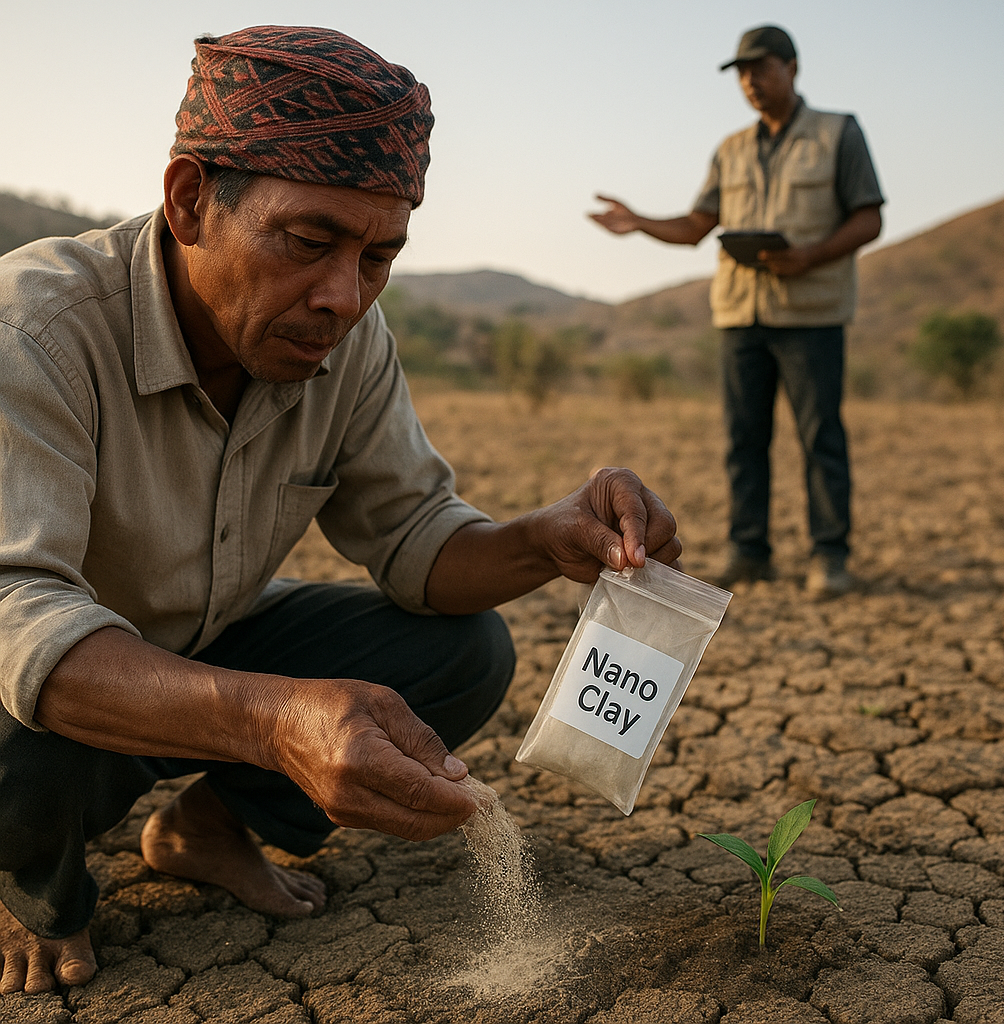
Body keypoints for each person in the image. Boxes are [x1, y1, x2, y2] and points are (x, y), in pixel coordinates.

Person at [0, 26, 681, 994]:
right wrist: (272, 721)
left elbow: (416, 540)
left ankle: (207, 828)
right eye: (309, 241)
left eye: (379, 256)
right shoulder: (34, 331)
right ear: (189, 200)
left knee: (461, 651)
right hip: (49, 694)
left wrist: (543, 538)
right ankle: (22, 883)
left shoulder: (342, 339)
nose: (343, 297)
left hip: (187, 658)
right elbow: (17, 619)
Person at [590, 25, 883, 598]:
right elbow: (697, 226)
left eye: (762, 68)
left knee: (821, 437)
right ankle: (749, 553)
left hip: (811, 315)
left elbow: (869, 217)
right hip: (740, 318)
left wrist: (808, 257)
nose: (751, 81)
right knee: (743, 440)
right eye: (742, 72)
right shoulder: (731, 149)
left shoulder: (838, 133)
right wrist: (640, 221)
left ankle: (830, 556)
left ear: (792, 68)